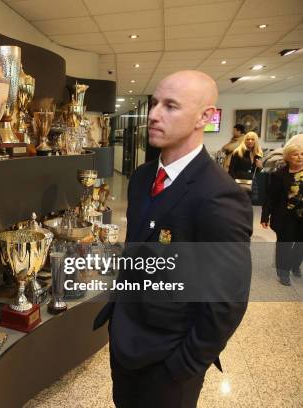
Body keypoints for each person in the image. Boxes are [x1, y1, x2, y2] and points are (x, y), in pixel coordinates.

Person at [93, 70, 252, 408]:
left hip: (169, 362)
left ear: (204, 117)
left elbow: (227, 300)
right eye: (154, 104)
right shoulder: (141, 178)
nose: (153, 114)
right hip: (126, 341)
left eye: (170, 106)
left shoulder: (219, 196)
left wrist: (184, 366)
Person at [261, 141, 303, 286]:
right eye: (295, 154)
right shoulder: (279, 175)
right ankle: (283, 273)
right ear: (287, 157)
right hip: (285, 216)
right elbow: (270, 197)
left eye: (302, 154)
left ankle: (295, 266)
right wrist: (265, 215)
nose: (299, 157)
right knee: (284, 244)